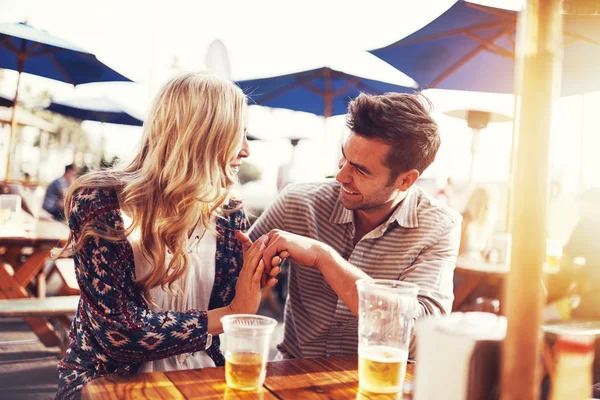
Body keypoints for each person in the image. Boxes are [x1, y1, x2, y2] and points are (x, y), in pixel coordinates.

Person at [54, 73, 280, 399]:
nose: (246, 150)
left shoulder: (229, 213)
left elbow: (233, 303)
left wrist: (254, 277)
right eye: (237, 133)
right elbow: (120, 333)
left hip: (203, 378)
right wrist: (228, 315)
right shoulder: (101, 201)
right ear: (201, 134)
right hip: (108, 385)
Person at [245, 92, 462, 360]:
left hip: (382, 382)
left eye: (360, 170)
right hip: (293, 376)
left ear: (405, 181)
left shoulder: (438, 227)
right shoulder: (298, 201)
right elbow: (229, 277)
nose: (340, 176)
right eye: (343, 157)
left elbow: (422, 337)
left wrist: (324, 258)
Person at [458, 186, 497, 259]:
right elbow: (458, 250)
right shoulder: (465, 221)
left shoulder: (484, 224)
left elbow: (484, 251)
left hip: (476, 264)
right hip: (463, 264)